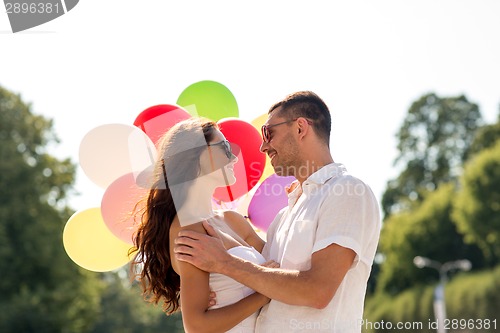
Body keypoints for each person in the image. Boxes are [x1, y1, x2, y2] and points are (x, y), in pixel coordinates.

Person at [174, 91, 382, 332]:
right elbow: (265, 279)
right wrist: (215, 291)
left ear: (301, 128)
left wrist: (225, 264)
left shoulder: (346, 191)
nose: (263, 146)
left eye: (268, 133)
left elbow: (317, 291)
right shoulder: (284, 217)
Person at [130, 117, 278, 333]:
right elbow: (197, 326)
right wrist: (264, 293)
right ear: (195, 157)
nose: (234, 157)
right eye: (225, 147)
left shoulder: (232, 220)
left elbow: (281, 263)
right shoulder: (187, 230)